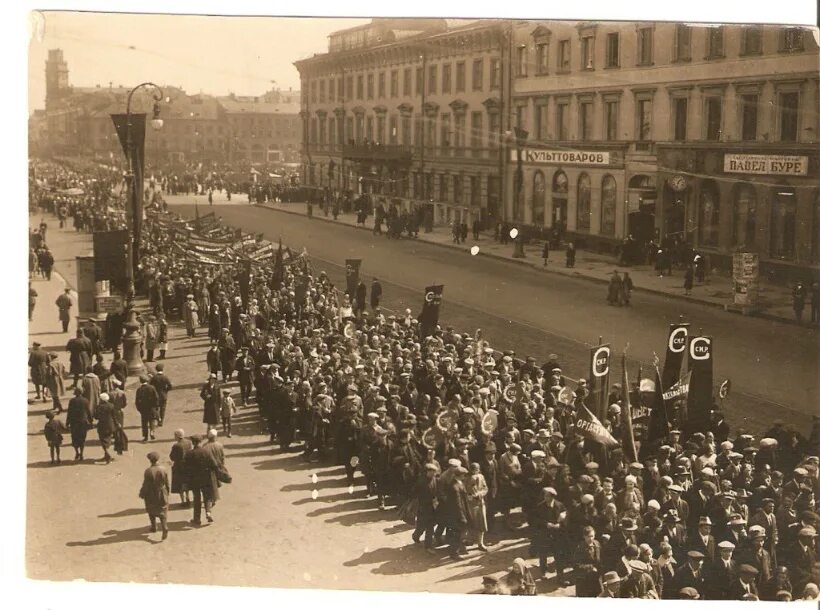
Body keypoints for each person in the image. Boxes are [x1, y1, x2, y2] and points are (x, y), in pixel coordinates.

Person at [185, 434, 219, 526]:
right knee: (207, 496)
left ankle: (197, 519)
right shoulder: (206, 452)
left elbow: (186, 468)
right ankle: (208, 513)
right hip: (206, 478)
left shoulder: (189, 454)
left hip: (194, 479)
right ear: (200, 442)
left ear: (193, 443)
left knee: (197, 498)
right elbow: (214, 464)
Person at [139, 451, 170, 540]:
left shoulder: (148, 471)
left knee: (151, 509)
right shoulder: (163, 469)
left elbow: (146, 484)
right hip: (162, 492)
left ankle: (154, 526)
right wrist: (167, 492)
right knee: (163, 510)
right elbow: (167, 483)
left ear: (150, 460)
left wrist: (142, 493)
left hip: (151, 493)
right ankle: (164, 527)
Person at [465, 462, 489, 551]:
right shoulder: (466, 478)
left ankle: (480, 543)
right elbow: (465, 491)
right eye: (473, 469)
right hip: (471, 504)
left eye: (477, 469)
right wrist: (470, 496)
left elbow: (485, 488)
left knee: (482, 523)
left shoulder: (481, 477)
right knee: (471, 522)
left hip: (480, 502)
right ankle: (469, 540)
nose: (475, 471)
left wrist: (480, 493)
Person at [66, 387, 91, 461]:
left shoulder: (72, 401)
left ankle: (77, 452)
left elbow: (69, 412)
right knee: (82, 439)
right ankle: (82, 454)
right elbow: (88, 411)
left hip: (74, 422)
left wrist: (67, 422)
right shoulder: (85, 400)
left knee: (74, 438)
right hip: (83, 422)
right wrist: (90, 420)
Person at [170, 429, 193, 507]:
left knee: (180, 484)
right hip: (188, 466)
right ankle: (187, 497)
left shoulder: (176, 445)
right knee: (186, 483)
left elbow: (172, 457)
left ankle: (183, 501)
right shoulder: (189, 442)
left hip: (179, 467)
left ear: (177, 436)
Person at [94, 392, 117, 464]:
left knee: (103, 440)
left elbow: (96, 417)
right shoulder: (111, 406)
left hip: (102, 426)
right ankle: (106, 454)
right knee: (108, 439)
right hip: (110, 425)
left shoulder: (98, 407)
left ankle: (107, 454)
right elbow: (114, 416)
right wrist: (116, 424)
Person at [135, 375, 160, 442]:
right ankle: (152, 432)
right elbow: (156, 398)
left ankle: (145, 436)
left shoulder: (139, 389)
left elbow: (137, 401)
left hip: (143, 409)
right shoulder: (152, 388)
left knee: (144, 423)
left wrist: (139, 409)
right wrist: (156, 406)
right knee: (152, 421)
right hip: (152, 408)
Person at [150, 363, 173, 427]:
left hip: (155, 396)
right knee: (163, 409)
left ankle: (158, 419)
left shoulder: (154, 378)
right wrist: (166, 390)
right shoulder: (165, 377)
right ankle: (161, 422)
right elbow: (170, 386)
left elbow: (151, 386)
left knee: (156, 408)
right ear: (162, 369)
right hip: (163, 395)